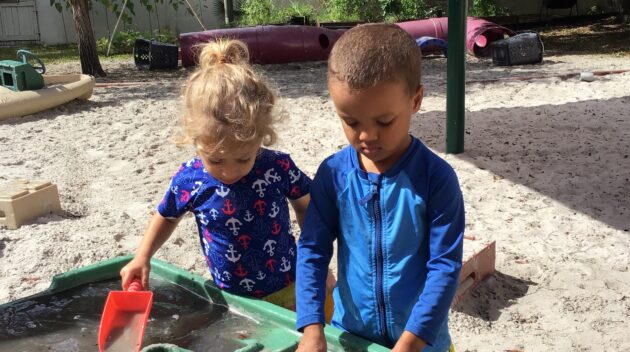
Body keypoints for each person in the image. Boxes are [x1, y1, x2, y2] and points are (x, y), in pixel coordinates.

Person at [295, 23, 465, 352]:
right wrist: (312, 326)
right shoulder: (333, 174)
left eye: (384, 122)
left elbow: (444, 266)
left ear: (415, 100)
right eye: (351, 121)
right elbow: (313, 250)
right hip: (352, 335)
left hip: (420, 342)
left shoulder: (436, 179)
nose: (366, 136)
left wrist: (412, 341)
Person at [119, 39, 313, 310]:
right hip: (231, 298)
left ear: (261, 137)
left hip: (289, 286)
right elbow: (166, 216)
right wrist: (143, 256)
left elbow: (307, 206)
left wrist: (312, 257)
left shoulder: (276, 168)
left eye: (244, 158)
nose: (229, 171)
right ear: (194, 137)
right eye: (215, 159)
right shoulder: (190, 179)